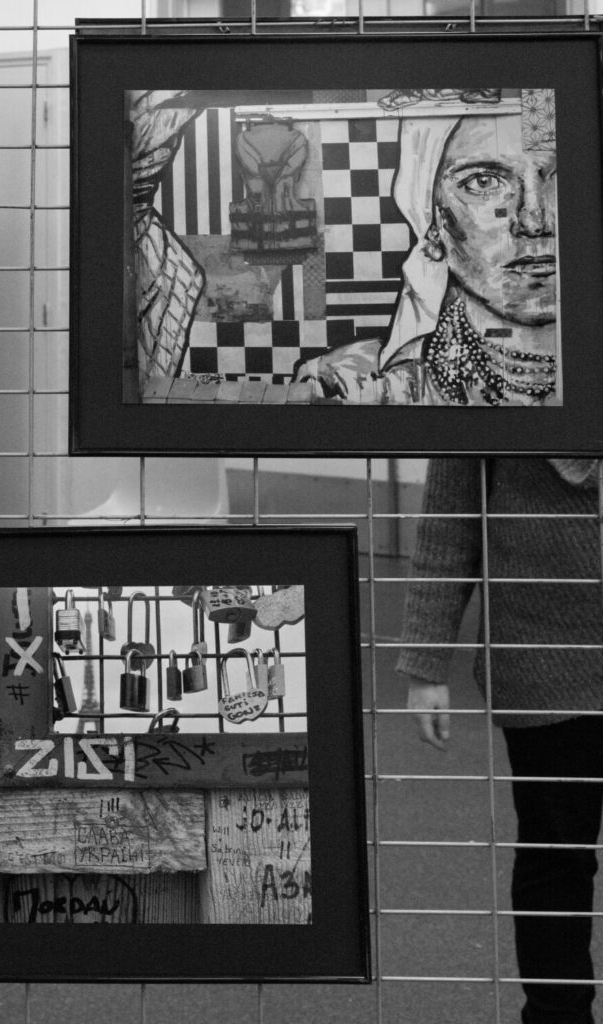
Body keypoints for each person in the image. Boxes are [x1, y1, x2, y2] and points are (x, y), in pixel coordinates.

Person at [399, 456, 603, 1024]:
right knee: (556, 852)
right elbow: (450, 522)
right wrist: (426, 660)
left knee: (554, 854)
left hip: (538, 650)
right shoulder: (481, 397)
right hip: (542, 656)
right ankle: (557, 1016)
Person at [295, 107, 559, 406]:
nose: (534, 222)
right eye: (483, 182)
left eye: (562, 178)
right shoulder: (351, 384)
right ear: (430, 217)